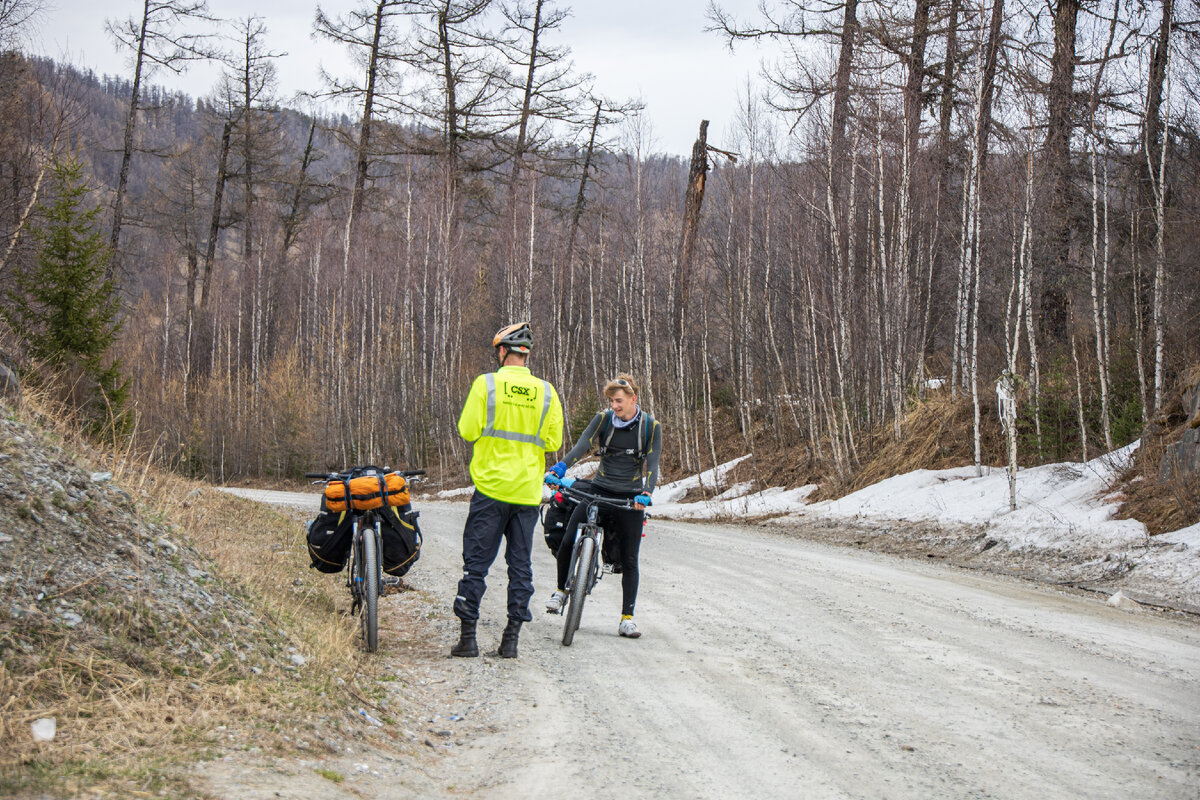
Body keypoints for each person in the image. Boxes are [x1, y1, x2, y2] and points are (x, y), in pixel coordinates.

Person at [452, 322, 564, 658]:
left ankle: (469, 639)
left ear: (502, 352)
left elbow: (468, 430)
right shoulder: (546, 392)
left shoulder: (486, 384)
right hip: (527, 492)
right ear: (525, 355)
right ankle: (510, 641)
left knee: (476, 564)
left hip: (490, 488)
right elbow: (554, 441)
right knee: (520, 565)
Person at [544, 374, 661, 639]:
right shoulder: (604, 419)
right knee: (567, 540)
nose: (614, 406)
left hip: (630, 497)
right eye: (611, 401)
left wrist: (646, 492)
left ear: (633, 399)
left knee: (630, 559)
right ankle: (561, 592)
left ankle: (627, 618)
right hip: (598, 489)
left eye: (618, 401)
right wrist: (560, 467)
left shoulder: (650, 427)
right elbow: (582, 446)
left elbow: (652, 464)